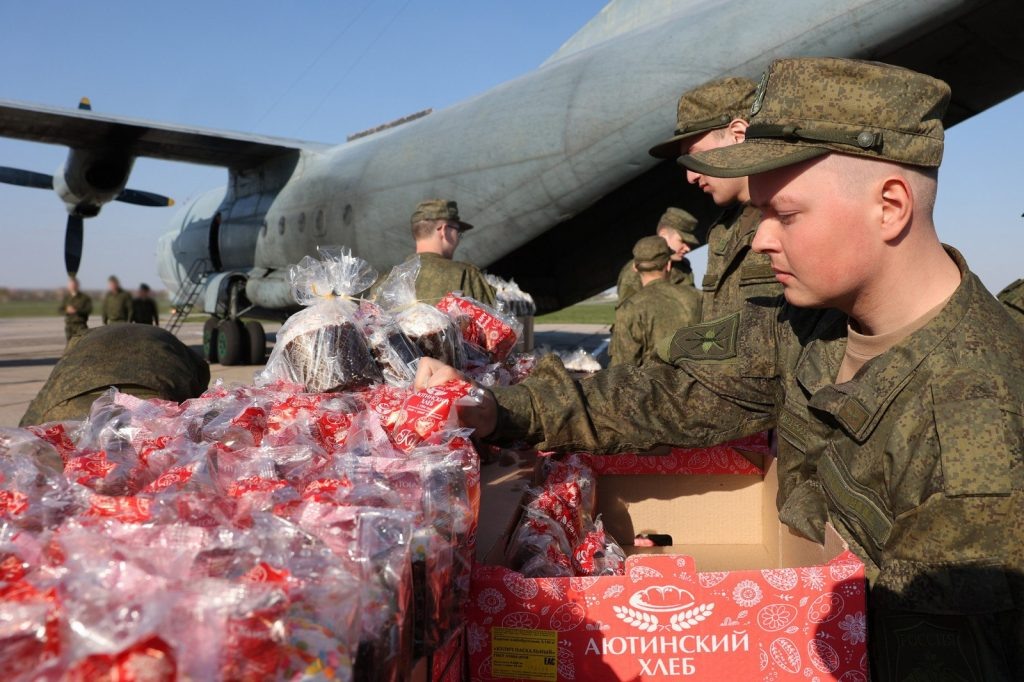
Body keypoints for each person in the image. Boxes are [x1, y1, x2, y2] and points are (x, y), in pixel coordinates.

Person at [418, 58, 1024, 679]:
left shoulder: (977, 414)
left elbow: (937, 653)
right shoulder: (811, 323)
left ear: (890, 206)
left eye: (784, 214)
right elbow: (677, 394)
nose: (759, 241)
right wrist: (504, 409)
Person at [649, 77, 782, 320]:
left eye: (695, 157)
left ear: (738, 135)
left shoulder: (796, 218)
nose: (690, 176)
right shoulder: (723, 231)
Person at [20, 323, 210, 426]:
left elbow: (33, 417)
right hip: (150, 409)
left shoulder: (79, 346)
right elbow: (200, 389)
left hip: (68, 410)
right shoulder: (167, 341)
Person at [610, 236, 700, 368]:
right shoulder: (697, 297)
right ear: (668, 265)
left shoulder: (630, 308)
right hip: (694, 384)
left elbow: (621, 369)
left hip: (652, 386)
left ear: (635, 267)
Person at [396, 199, 496, 306]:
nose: (458, 239)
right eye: (458, 232)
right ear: (444, 230)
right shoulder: (466, 275)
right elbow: (496, 320)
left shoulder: (383, 283)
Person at [616, 207, 700, 305]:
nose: (687, 249)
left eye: (689, 244)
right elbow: (629, 315)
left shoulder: (683, 266)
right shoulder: (638, 270)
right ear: (663, 235)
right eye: (682, 241)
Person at [59, 276, 92, 343]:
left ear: (77, 285)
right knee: (70, 347)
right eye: (70, 285)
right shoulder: (67, 298)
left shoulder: (84, 298)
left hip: (80, 326)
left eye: (74, 285)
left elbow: (89, 310)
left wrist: (77, 311)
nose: (72, 287)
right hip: (69, 326)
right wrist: (67, 311)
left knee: (81, 345)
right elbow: (60, 310)